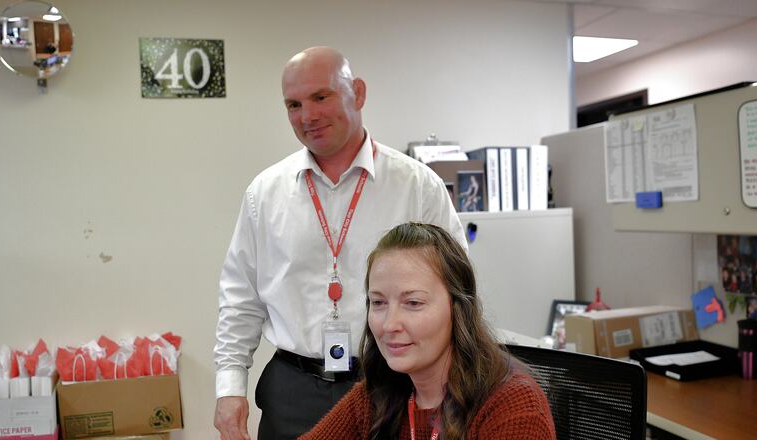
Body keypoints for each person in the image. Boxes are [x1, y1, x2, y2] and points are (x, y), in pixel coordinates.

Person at [213, 47, 466, 440]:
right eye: (293, 104)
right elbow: (240, 298)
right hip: (293, 390)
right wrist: (229, 387)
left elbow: (457, 291)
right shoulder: (265, 193)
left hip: (392, 385)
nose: (307, 116)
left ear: (358, 93)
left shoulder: (417, 186)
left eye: (321, 97)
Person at [301, 223, 556, 439]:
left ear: (457, 309)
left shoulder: (514, 407)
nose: (390, 325)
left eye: (413, 303)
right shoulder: (378, 395)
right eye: (378, 302)